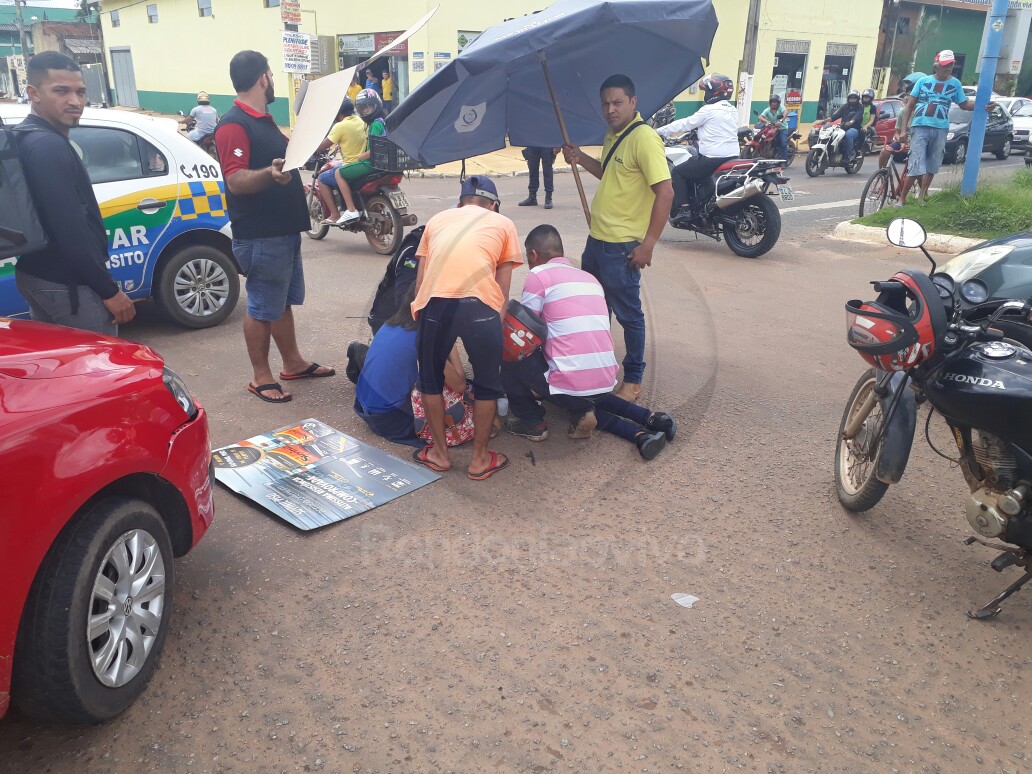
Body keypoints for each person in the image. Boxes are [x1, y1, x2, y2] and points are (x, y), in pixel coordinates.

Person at [214, 50, 335, 403]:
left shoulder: (263, 121)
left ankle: (293, 363)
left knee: (280, 303)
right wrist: (270, 174)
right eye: (270, 74)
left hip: (282, 232)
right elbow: (235, 180)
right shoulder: (233, 124)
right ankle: (261, 376)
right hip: (261, 235)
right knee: (262, 307)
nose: (272, 81)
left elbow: (284, 164)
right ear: (263, 78)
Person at [502, 225, 675, 460]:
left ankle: (531, 422)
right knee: (590, 395)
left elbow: (524, 334)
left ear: (533, 255)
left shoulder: (538, 275)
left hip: (572, 385)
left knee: (511, 355)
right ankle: (648, 422)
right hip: (605, 378)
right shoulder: (590, 279)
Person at [562, 74, 674, 404]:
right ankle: (598, 370)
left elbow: (665, 193)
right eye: (606, 103)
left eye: (617, 102)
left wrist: (649, 243)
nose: (610, 109)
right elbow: (610, 173)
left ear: (633, 103)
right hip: (596, 241)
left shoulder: (645, 138)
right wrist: (580, 158)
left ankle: (634, 379)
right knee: (597, 311)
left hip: (622, 246)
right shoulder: (613, 135)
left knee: (629, 315)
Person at [12, 51, 135, 335]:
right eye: (61, 91)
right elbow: (69, 230)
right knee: (97, 370)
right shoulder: (48, 146)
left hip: (36, 273)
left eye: (80, 92)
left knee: (62, 368)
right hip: (68, 284)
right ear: (33, 93)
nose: (75, 101)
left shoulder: (25, 137)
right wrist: (109, 291)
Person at [410, 175, 522, 480]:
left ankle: (440, 455)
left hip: (435, 303)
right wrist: (492, 331)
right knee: (487, 384)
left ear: (460, 202)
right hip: (480, 305)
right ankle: (480, 460)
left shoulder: (436, 221)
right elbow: (502, 291)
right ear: (493, 204)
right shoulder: (503, 224)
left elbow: (421, 282)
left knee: (429, 382)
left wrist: (423, 320)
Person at [354, 288, 469, 447]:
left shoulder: (392, 323)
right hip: (391, 420)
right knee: (470, 401)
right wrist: (449, 342)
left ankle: (358, 353)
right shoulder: (425, 338)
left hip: (364, 404)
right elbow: (460, 384)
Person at [899, 50, 995, 203]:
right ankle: (901, 200)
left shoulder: (955, 84)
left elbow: (964, 105)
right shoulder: (923, 82)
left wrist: (983, 105)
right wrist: (904, 130)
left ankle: (922, 196)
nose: (948, 68)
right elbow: (909, 106)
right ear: (936, 66)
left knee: (932, 164)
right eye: (944, 65)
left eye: (950, 65)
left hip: (941, 128)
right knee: (916, 162)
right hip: (920, 126)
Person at [656, 73, 739, 221]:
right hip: (732, 157)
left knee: (678, 172)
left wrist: (658, 131)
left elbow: (685, 124)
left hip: (712, 159)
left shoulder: (709, 110)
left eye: (706, 91)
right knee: (696, 166)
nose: (705, 94)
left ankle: (684, 209)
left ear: (713, 92)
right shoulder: (732, 110)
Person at [325, 88, 386, 225]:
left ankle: (351, 210)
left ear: (376, 105)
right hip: (382, 164)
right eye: (363, 109)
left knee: (339, 173)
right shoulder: (382, 121)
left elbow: (374, 150)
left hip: (371, 163)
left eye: (368, 108)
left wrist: (361, 157)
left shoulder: (375, 124)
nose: (365, 111)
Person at [315, 98, 367, 225]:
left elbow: (323, 146)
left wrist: (312, 147)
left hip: (351, 166)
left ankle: (335, 214)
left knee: (322, 179)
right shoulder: (361, 120)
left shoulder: (340, 126)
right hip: (363, 163)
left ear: (339, 113)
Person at [878, 73, 925, 169]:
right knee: (884, 152)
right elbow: (897, 132)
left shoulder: (922, 112)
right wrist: (901, 141)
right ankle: (883, 175)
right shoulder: (903, 112)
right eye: (906, 95)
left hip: (916, 145)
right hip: (902, 143)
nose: (907, 98)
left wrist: (911, 144)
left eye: (910, 95)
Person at [829, 90, 865, 162]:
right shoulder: (845, 106)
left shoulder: (860, 107)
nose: (852, 100)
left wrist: (851, 122)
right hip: (843, 127)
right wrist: (829, 119)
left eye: (854, 99)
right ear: (848, 99)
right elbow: (837, 115)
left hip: (855, 128)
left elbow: (857, 115)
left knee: (848, 135)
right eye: (851, 98)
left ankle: (849, 154)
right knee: (830, 134)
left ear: (857, 99)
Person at [757, 94, 789, 161]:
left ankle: (784, 161)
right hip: (772, 128)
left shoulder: (781, 108)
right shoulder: (767, 110)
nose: (773, 104)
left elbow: (785, 112)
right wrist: (766, 121)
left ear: (778, 103)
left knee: (783, 143)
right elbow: (760, 117)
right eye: (772, 102)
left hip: (782, 129)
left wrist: (781, 121)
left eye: (775, 102)